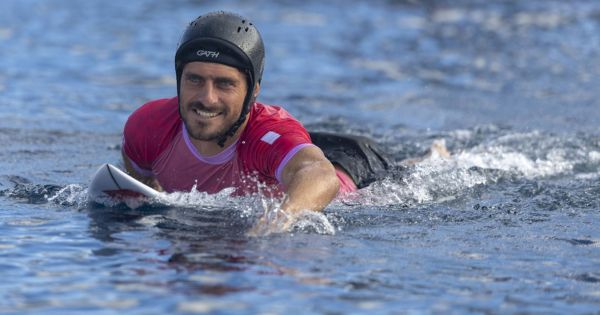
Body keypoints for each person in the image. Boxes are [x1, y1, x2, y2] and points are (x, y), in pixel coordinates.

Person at [121, 11, 398, 217]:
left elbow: (320, 175)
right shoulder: (148, 126)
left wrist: (279, 220)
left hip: (356, 165)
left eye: (224, 84)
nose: (207, 98)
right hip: (295, 151)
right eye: (194, 80)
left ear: (253, 90)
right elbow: (138, 170)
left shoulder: (267, 134)